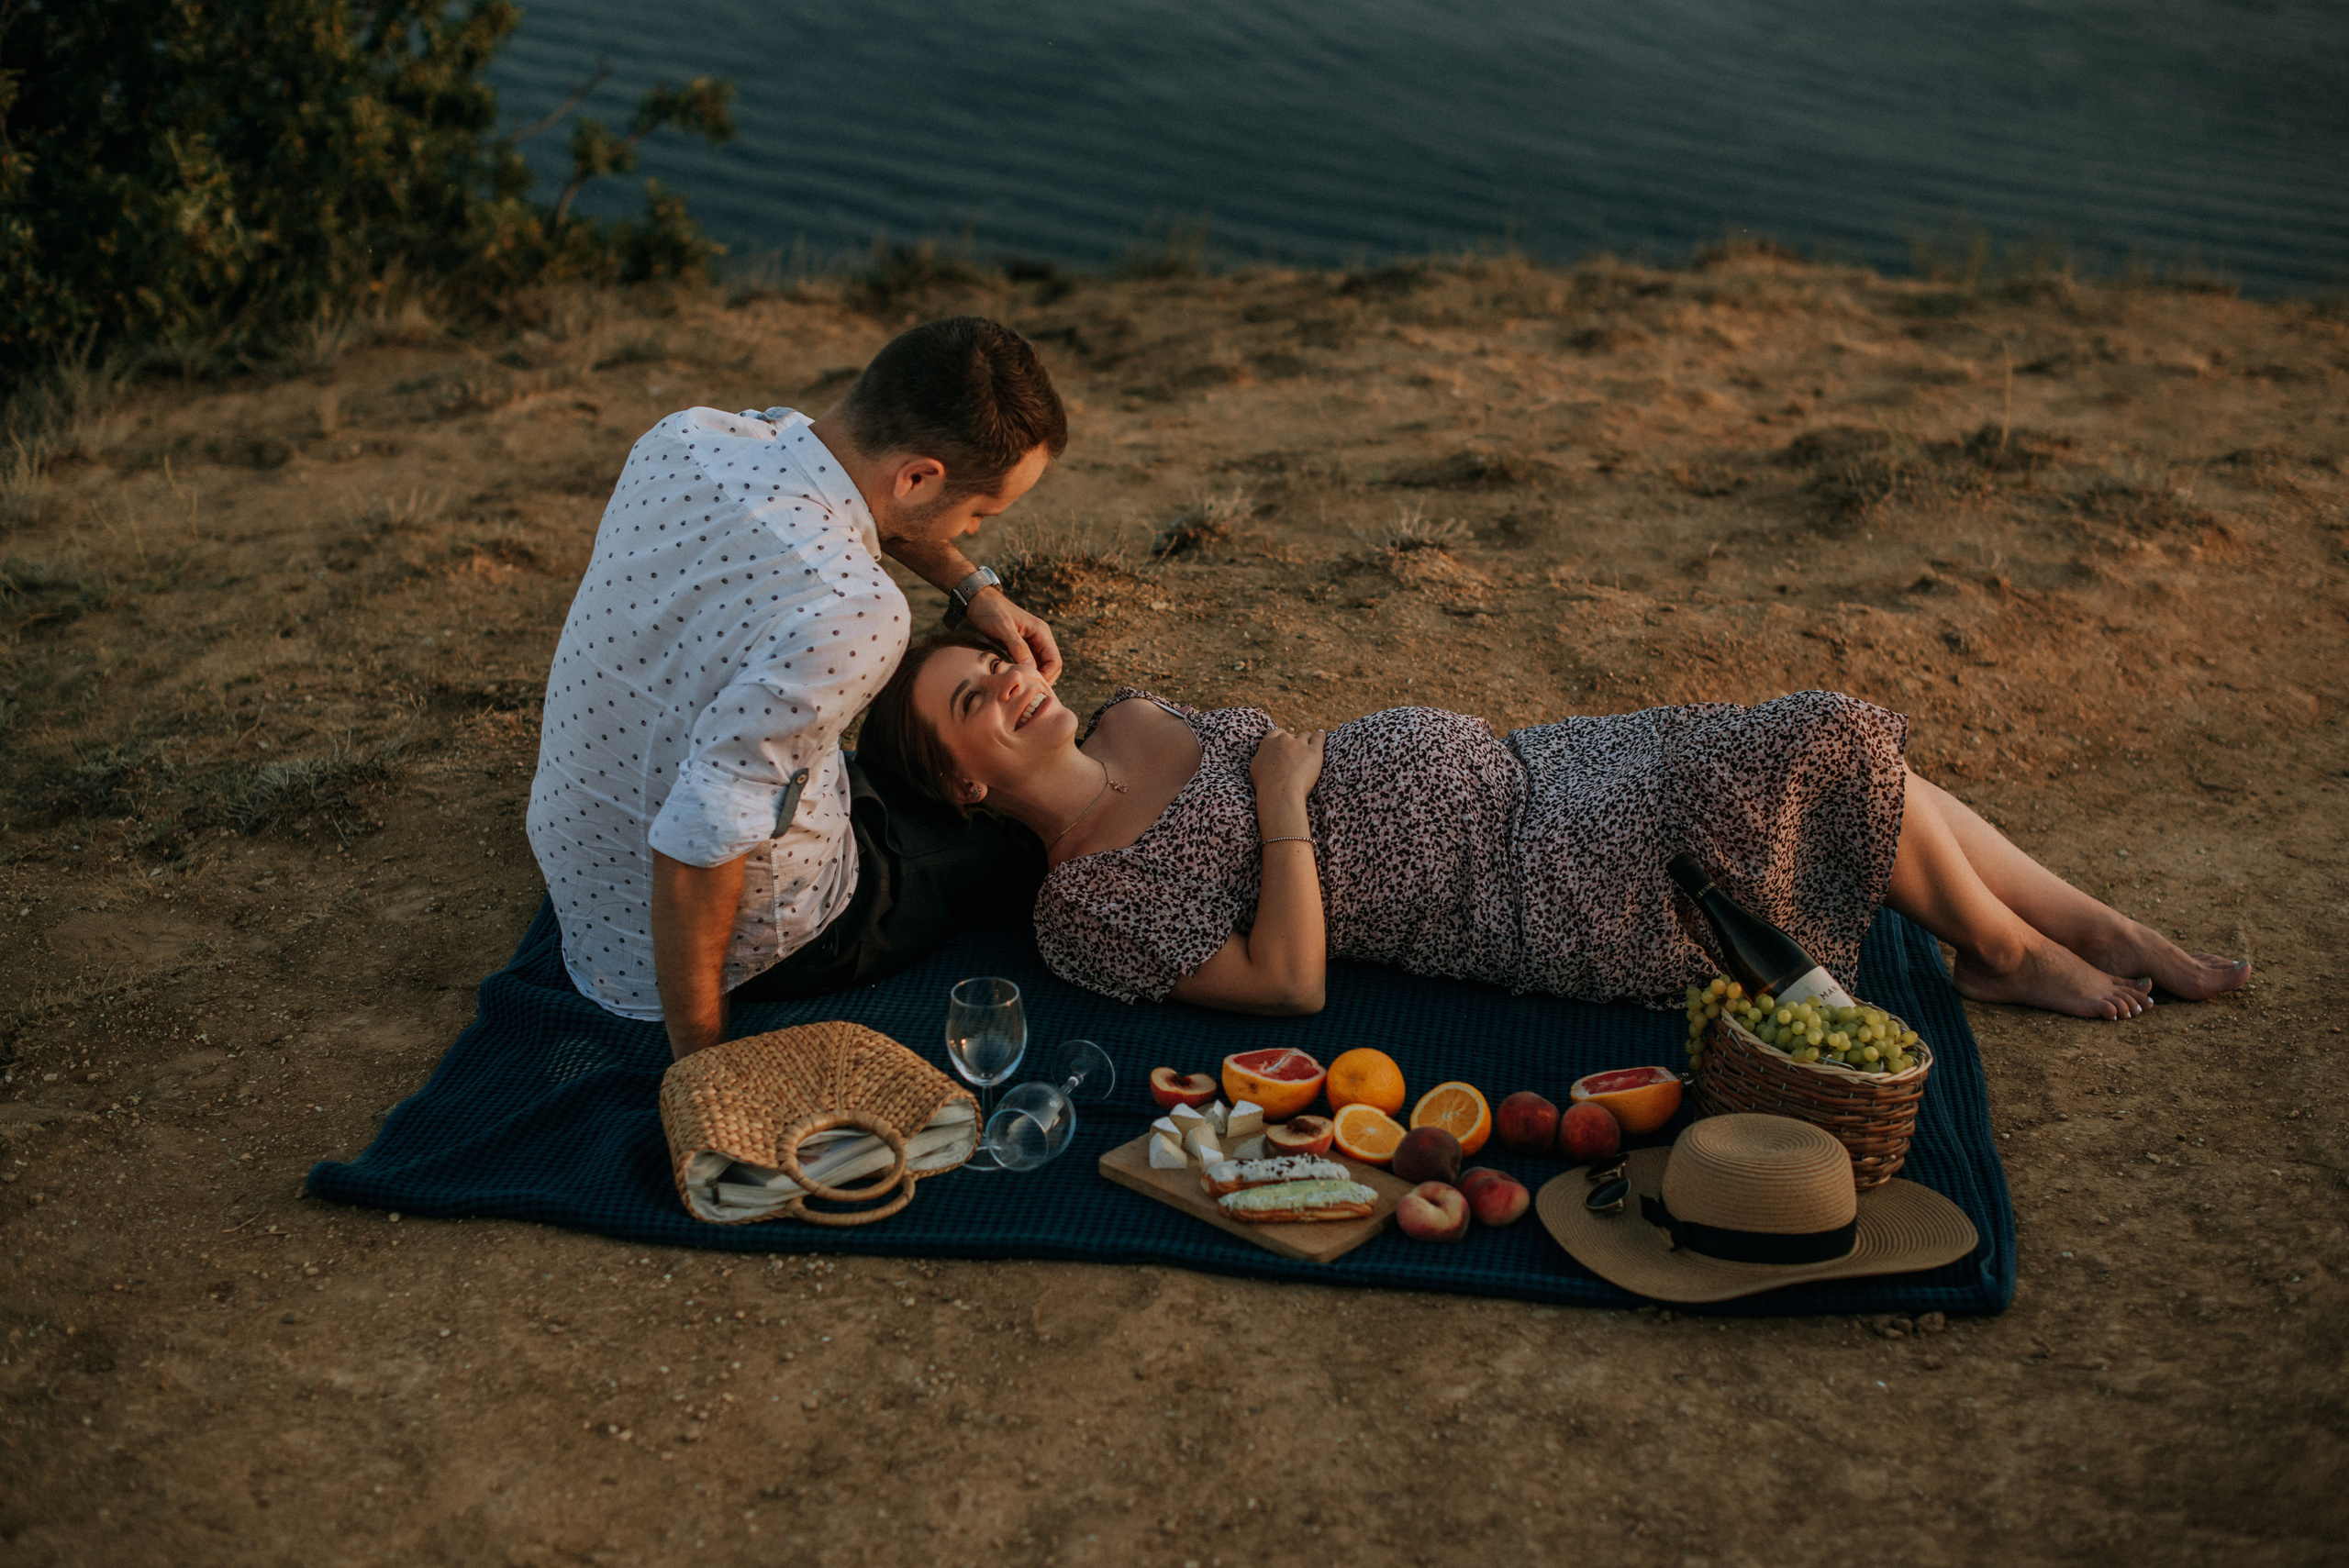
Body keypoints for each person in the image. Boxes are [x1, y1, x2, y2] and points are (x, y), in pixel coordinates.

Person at [858, 628, 2253, 1020]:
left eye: (1004, 662)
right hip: (1529, 892)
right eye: (976, 702)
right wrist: (1284, 810)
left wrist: (977, 606)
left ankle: (2090, 926)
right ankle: (2007, 943)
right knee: (1822, 734)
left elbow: (990, 600)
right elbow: (1285, 985)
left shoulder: (1124, 718)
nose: (1014, 682)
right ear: (962, 786)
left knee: (1835, 760)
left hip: (1544, 771)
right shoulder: (1082, 904)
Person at [526, 318, 1069, 1059]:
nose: (974, 529)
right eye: (980, 514)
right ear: (917, 477)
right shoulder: (858, 612)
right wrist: (703, 1065)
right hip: (729, 947)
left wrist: (976, 589)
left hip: (585, 884)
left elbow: (840, 468)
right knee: (1014, 826)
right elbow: (700, 840)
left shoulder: (690, 437)